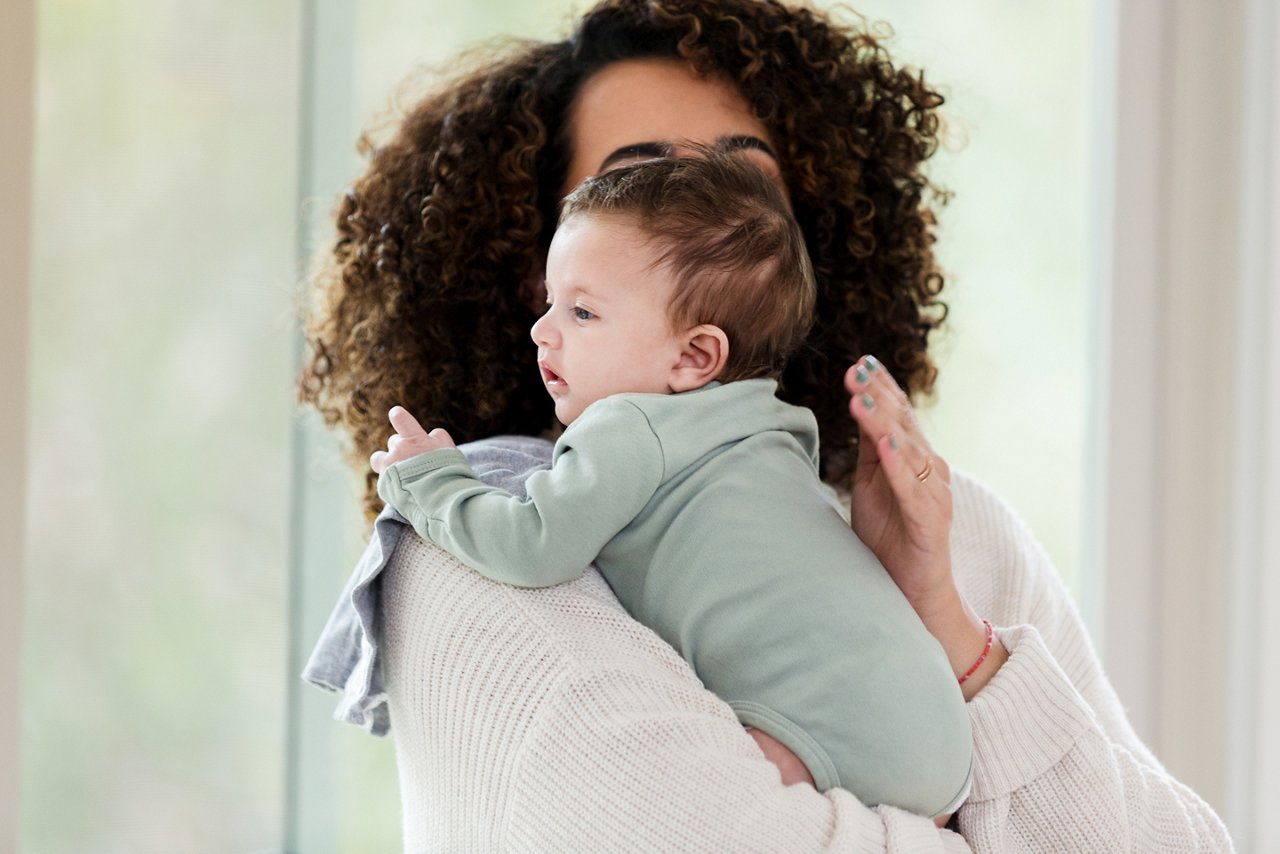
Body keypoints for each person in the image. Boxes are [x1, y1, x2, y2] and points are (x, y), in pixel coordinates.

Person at [300, 0, 1234, 849]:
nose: (711, 212)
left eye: (747, 189)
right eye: (644, 187)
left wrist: (947, 625)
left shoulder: (955, 532)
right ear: (537, 260)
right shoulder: (461, 544)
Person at [368, 152, 974, 819]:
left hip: (819, 725)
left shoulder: (630, 424)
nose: (543, 333)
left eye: (583, 313)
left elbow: (532, 545)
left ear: (693, 357)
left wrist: (430, 482)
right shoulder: (777, 427)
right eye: (551, 304)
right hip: (937, 726)